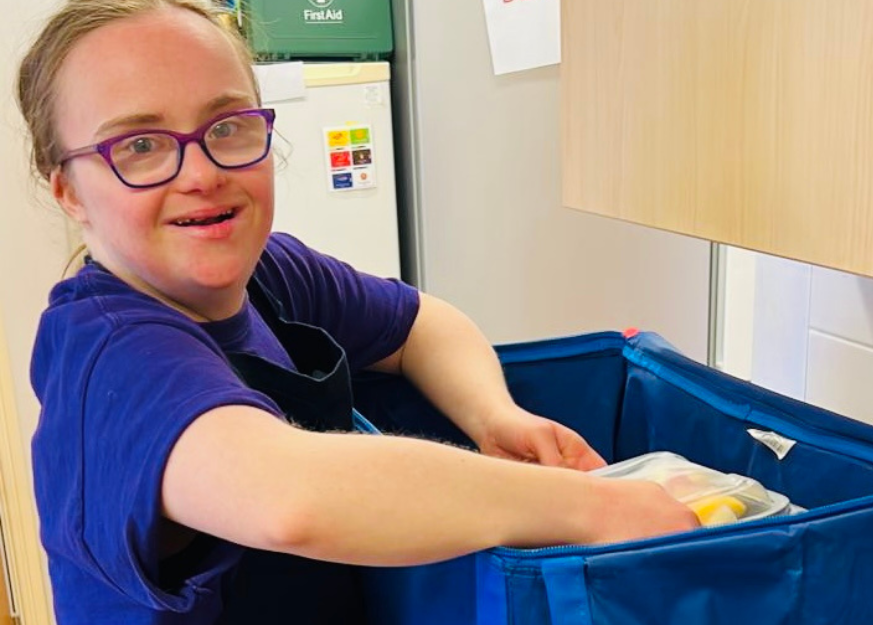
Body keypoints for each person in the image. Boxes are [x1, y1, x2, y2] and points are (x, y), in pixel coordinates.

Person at [16, 1, 700, 622]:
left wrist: (495, 416)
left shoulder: (272, 274)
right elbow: (289, 497)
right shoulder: (103, 351)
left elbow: (423, 324)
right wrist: (598, 509)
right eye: (139, 145)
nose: (200, 172)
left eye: (226, 126)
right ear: (68, 189)